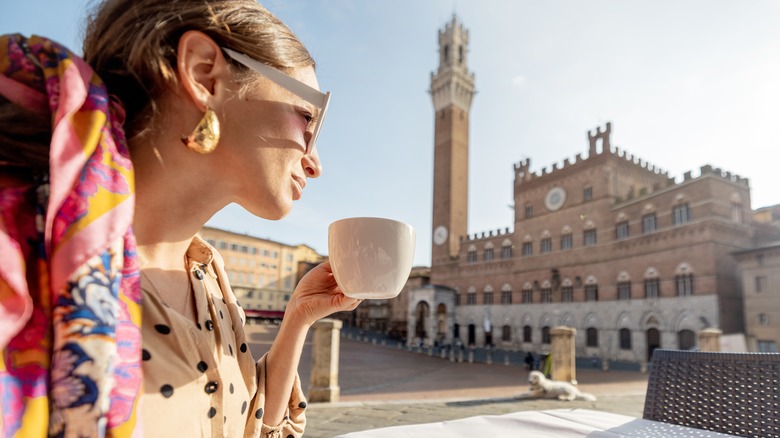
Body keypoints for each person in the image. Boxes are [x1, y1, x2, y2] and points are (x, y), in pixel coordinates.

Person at [0, 0, 360, 436]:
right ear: (204, 73)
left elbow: (247, 425)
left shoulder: (208, 275)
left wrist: (299, 316)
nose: (315, 161)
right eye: (308, 117)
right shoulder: (22, 257)